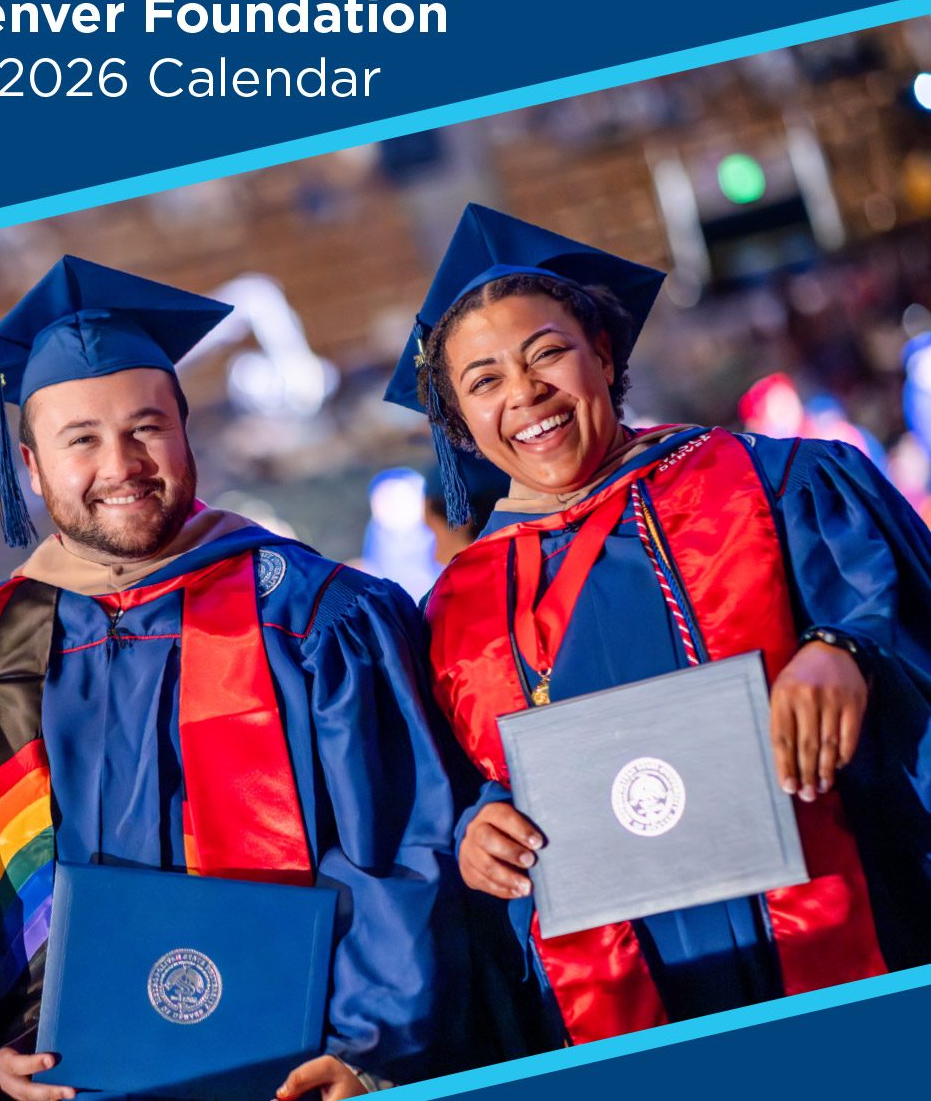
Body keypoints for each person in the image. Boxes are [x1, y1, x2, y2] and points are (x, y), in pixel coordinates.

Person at [0, 257, 472, 1100]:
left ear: (187, 431)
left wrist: (367, 1047)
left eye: (146, 427)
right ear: (32, 467)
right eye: (81, 439)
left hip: (297, 1075)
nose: (121, 463)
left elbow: (405, 843)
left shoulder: (316, 619)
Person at [384, 203, 931, 1048]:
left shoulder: (774, 484)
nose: (524, 393)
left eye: (547, 353)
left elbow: (897, 618)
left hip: (839, 931)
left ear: (603, 354)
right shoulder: (454, 610)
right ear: (459, 419)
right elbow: (459, 790)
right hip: (621, 995)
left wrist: (848, 651)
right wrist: (473, 833)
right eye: (484, 380)